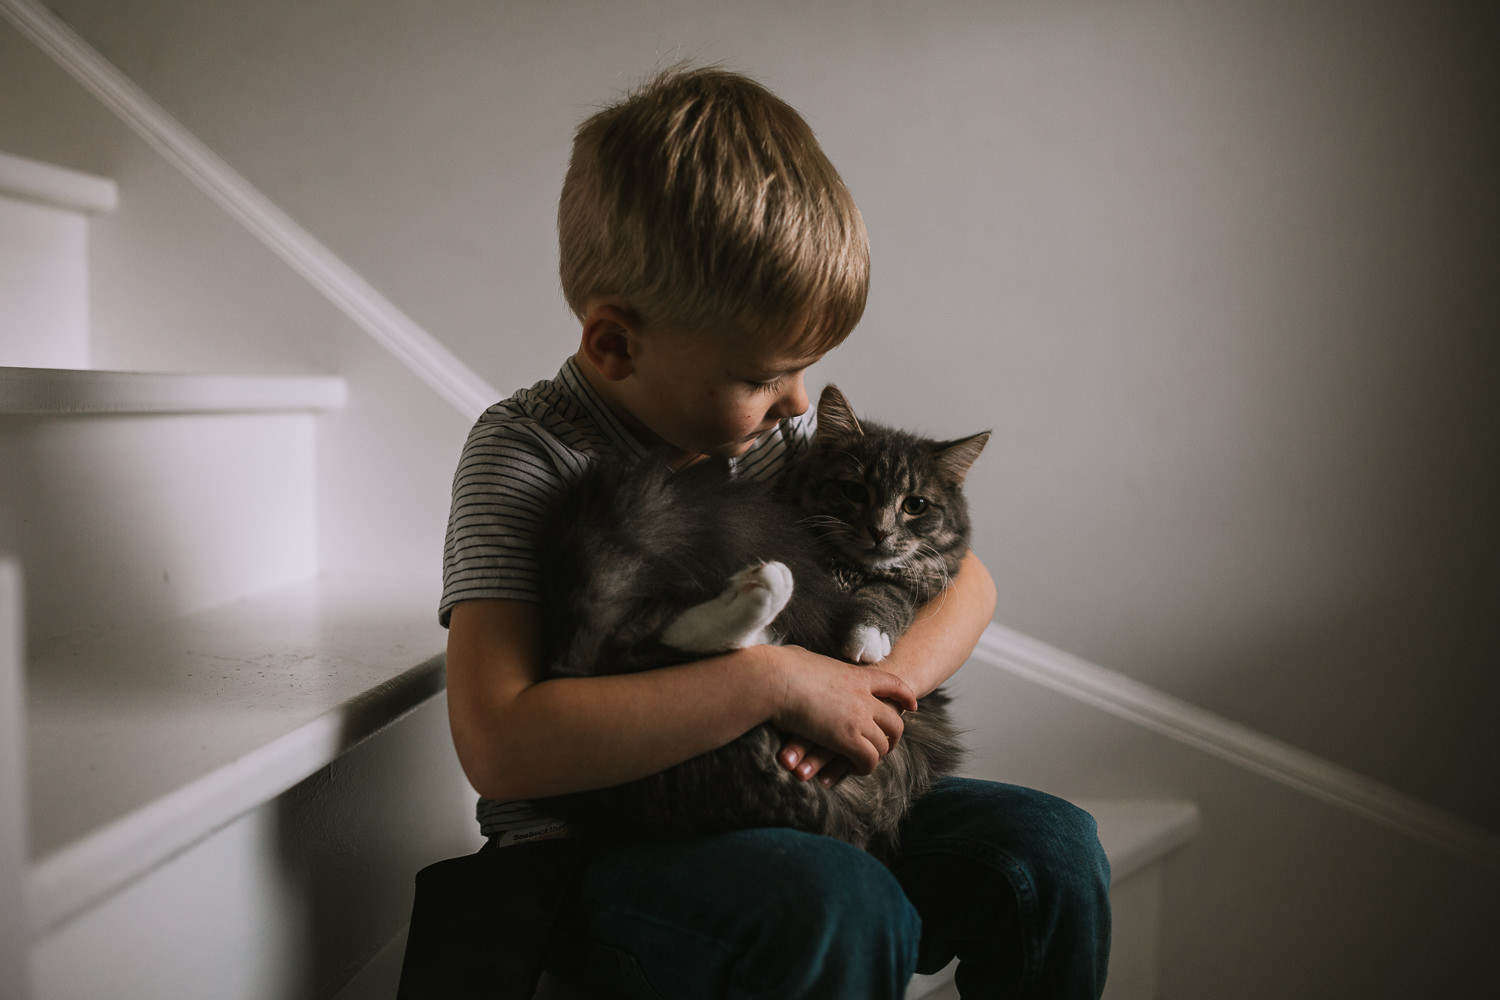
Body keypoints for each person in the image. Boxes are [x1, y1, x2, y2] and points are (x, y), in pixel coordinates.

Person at [439, 65, 1111, 998]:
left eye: (808, 369)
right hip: (598, 848)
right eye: (766, 375)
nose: (799, 402)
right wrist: (777, 680)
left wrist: (873, 690)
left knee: (1051, 851)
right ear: (615, 345)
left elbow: (970, 586)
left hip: (803, 798)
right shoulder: (528, 454)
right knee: (837, 903)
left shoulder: (777, 433)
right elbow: (503, 742)